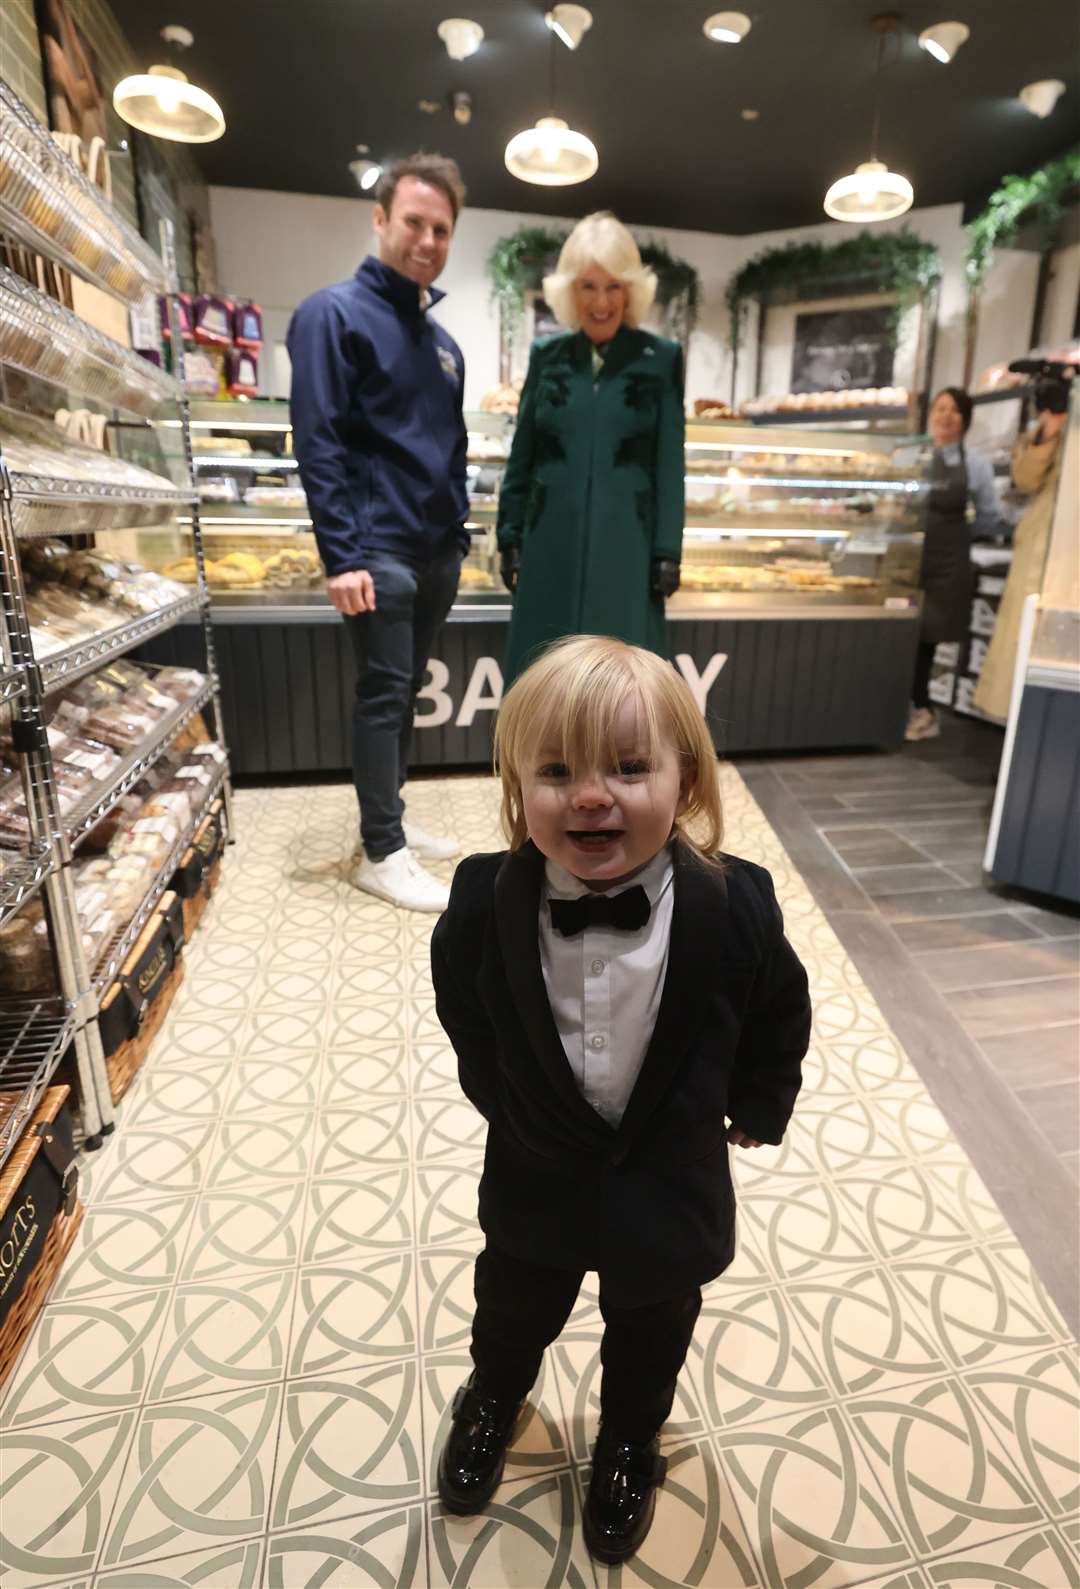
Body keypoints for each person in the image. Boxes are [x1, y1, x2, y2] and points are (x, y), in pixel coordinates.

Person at [430, 635, 811, 1563]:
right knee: (511, 1304)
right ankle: (491, 1395)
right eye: (557, 770)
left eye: (631, 766)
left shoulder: (736, 905)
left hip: (670, 1182)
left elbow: (779, 1009)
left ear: (686, 783)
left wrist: (758, 1108)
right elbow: (465, 1008)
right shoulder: (486, 899)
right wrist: (506, 1104)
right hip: (535, 1175)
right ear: (519, 786)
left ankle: (631, 1440)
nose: (593, 793)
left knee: (651, 1331)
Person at [288, 154, 469, 912]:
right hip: (379, 552)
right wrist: (342, 555)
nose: (426, 240)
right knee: (383, 696)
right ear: (381, 220)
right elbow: (319, 439)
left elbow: (445, 444)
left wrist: (459, 536)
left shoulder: (442, 340)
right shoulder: (331, 315)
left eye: (441, 228)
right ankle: (381, 850)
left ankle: (387, 816)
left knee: (404, 692)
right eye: (414, 223)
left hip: (436, 550)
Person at [496, 213, 685, 689]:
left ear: (632, 291)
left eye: (614, 287)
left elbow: (669, 462)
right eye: (588, 286)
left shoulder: (659, 360)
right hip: (547, 541)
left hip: (629, 544)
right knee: (544, 672)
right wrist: (509, 534)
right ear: (568, 291)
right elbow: (524, 453)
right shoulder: (548, 356)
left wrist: (667, 550)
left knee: (623, 679)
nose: (601, 302)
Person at [906, 386, 1006, 742]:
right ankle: (904, 706)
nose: (945, 416)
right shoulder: (913, 454)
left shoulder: (975, 463)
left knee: (926, 638)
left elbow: (990, 515)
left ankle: (922, 710)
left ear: (965, 420)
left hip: (947, 563)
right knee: (903, 633)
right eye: (940, 408)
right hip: (908, 559)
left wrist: (959, 537)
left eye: (954, 410)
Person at [973, 381, 1068, 722]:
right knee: (1028, 641)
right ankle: (1023, 738)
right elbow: (1025, 478)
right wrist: (1052, 426)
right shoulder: (1060, 417)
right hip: (1047, 546)